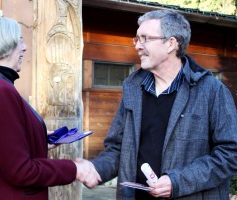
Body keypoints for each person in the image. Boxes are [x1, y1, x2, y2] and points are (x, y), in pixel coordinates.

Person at [91, 9, 237, 199]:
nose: (137, 46)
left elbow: (230, 154)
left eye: (145, 38)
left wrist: (178, 182)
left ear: (170, 44)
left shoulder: (212, 91)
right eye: (136, 39)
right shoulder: (133, 89)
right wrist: (95, 169)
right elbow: (118, 148)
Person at [0, 16, 101, 200]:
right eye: (19, 41)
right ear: (0, 45)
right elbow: (21, 171)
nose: (24, 47)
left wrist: (38, 140)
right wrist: (75, 168)